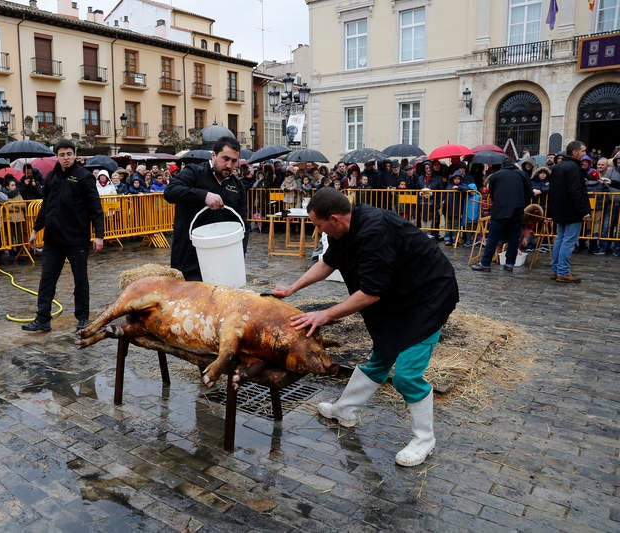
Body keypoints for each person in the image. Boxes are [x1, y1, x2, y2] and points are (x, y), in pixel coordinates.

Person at [271, 188, 458, 467]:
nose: (318, 230)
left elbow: (370, 293)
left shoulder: (375, 233)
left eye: (319, 225)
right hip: (398, 295)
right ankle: (345, 411)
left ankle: (424, 439)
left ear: (334, 219)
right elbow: (328, 263)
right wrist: (291, 288)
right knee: (382, 354)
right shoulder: (345, 230)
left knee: (406, 376)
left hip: (427, 299)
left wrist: (324, 315)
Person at [22, 139, 104, 332]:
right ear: (57, 156)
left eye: (69, 154)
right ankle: (43, 319)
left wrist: (99, 235)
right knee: (47, 280)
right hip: (53, 239)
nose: (66, 158)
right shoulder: (51, 177)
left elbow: (95, 208)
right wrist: (35, 230)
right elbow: (45, 206)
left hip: (77, 239)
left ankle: (83, 318)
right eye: (62, 155)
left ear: (74, 155)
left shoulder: (84, 177)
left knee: (80, 280)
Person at [164, 136, 247, 281]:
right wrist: (204, 195)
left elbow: (242, 223)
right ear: (214, 155)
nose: (229, 165)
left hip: (220, 258)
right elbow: (170, 192)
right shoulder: (194, 172)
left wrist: (240, 254)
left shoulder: (237, 186)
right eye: (225, 159)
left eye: (234, 161)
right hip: (188, 254)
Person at [471, 157, 532, 272]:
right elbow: (529, 192)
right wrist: (522, 205)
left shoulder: (496, 175)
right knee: (513, 238)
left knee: (493, 238)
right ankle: (509, 264)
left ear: (502, 165)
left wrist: (497, 203)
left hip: (499, 210)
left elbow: (492, 193)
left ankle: (485, 264)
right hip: (517, 211)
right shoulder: (522, 174)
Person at [548, 140, 592, 283]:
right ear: (575, 152)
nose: (585, 154)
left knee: (560, 239)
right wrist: (584, 211)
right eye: (583, 151)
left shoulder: (557, 167)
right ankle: (563, 272)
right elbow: (576, 191)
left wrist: (552, 211)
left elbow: (552, 191)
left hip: (560, 210)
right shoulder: (574, 168)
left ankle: (556, 270)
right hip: (572, 211)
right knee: (568, 241)